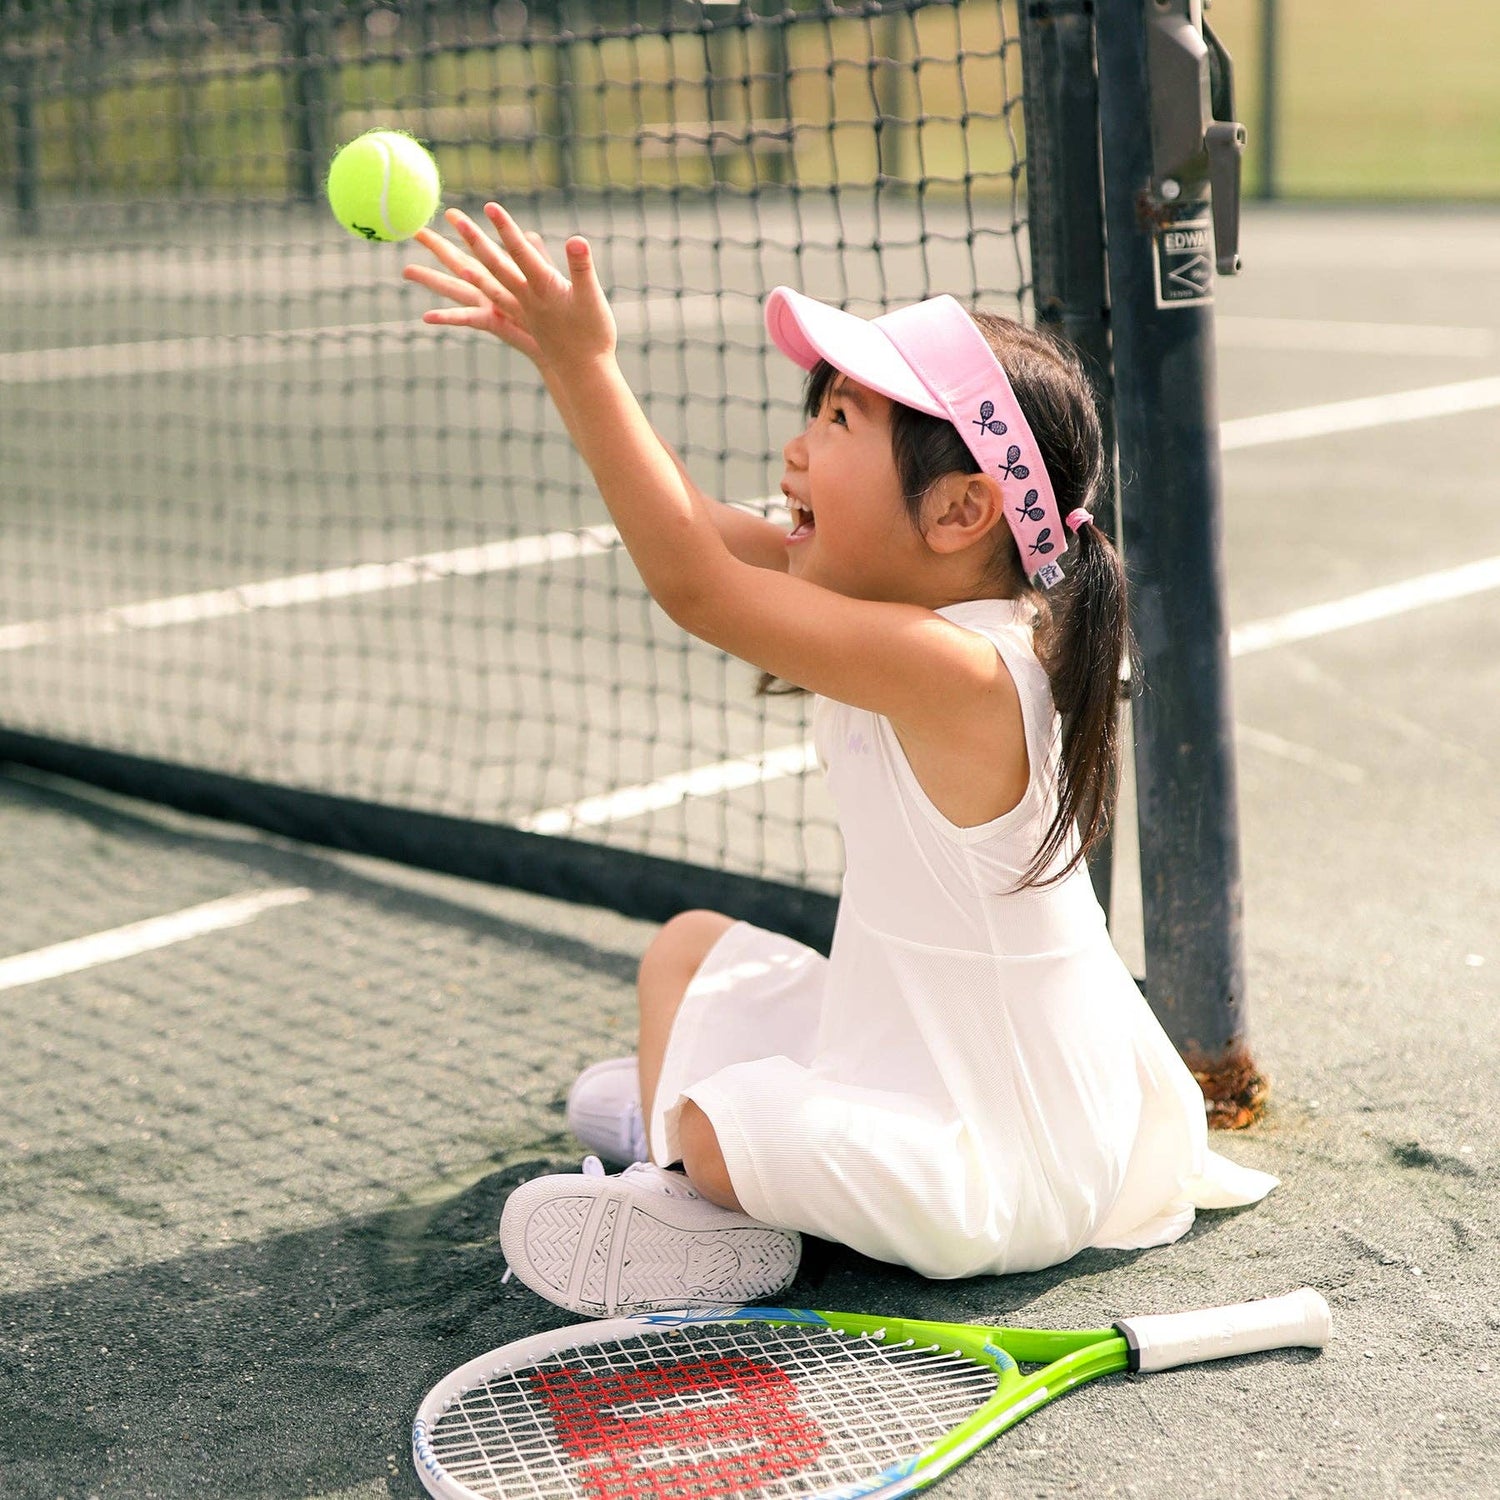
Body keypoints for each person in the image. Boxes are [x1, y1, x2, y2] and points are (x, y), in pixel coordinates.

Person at [404, 203, 1278, 1319]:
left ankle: (692, 1183)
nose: (797, 448)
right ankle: (690, 1142)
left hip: (1002, 1162)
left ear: (962, 509)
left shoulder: (961, 671)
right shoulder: (912, 611)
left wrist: (586, 367)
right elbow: (691, 530)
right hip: (904, 1047)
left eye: (840, 419)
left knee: (723, 1124)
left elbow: (696, 587)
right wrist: (573, 371)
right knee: (684, 951)